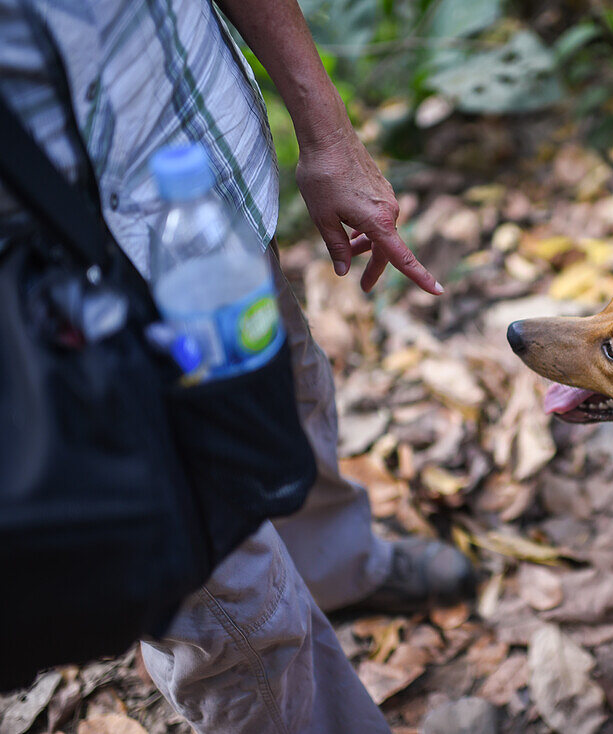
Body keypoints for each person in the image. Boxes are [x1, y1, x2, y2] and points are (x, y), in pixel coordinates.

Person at [0, 0, 475, 731]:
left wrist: (327, 132)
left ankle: (338, 569)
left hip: (201, 201)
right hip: (49, 312)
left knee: (291, 402)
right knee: (234, 608)